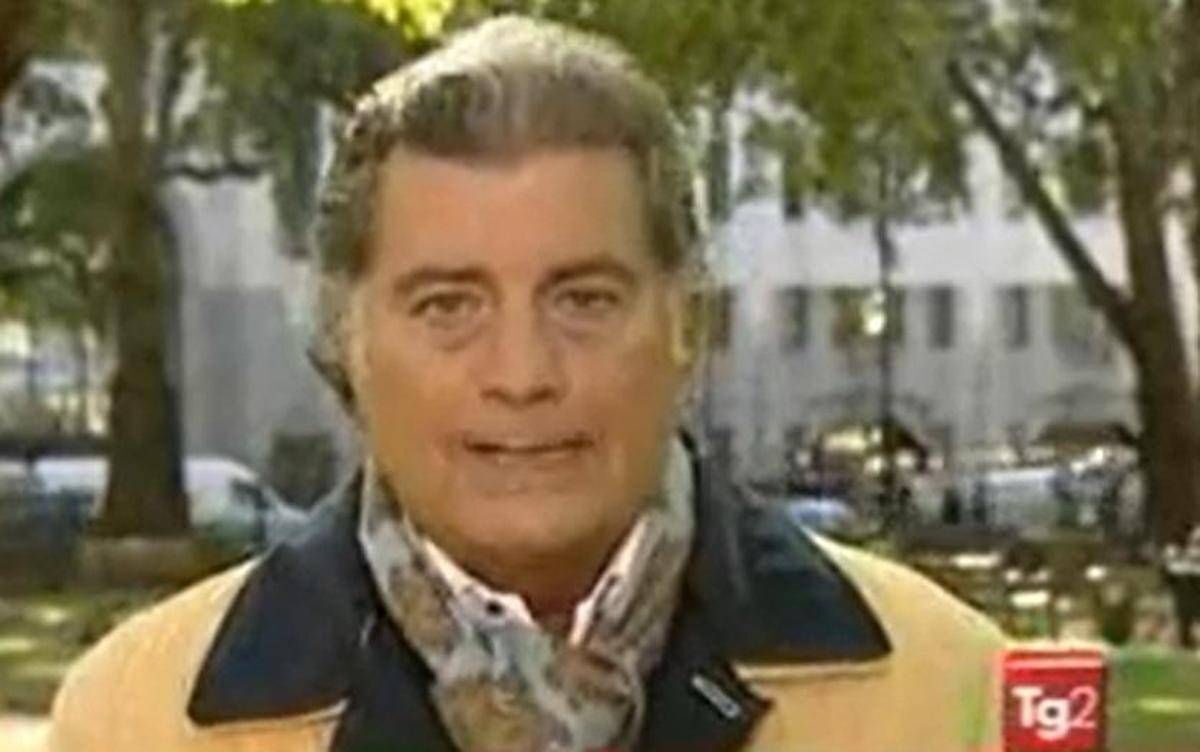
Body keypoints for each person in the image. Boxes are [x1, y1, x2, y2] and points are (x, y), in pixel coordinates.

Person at [47, 16, 1007, 752]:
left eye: (584, 300)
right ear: (347, 338)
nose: (522, 374)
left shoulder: (951, 693)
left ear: (687, 324)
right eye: (448, 306)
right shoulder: (140, 720)